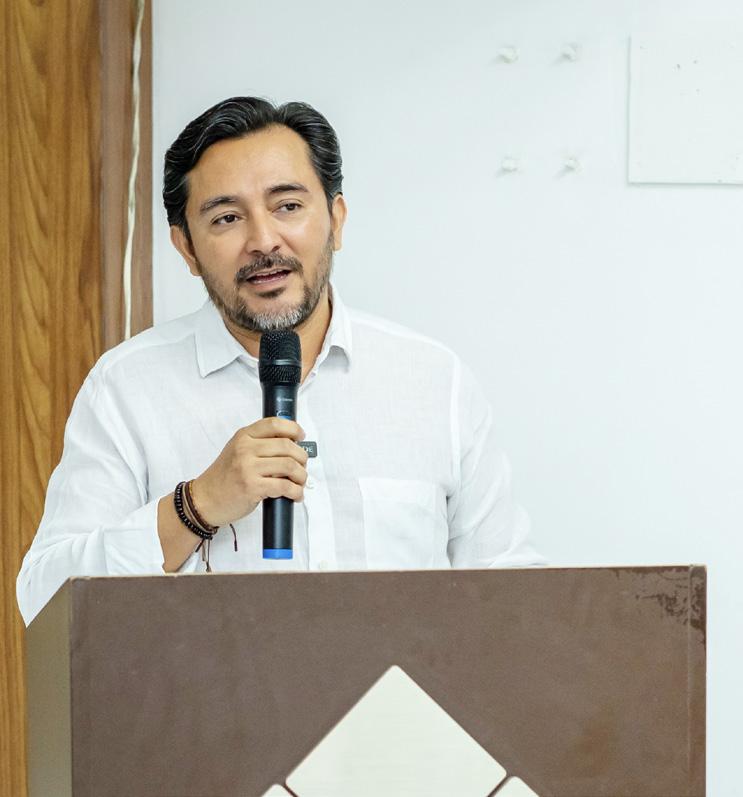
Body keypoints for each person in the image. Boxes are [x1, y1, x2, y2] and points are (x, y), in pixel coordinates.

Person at [16, 97, 543, 625]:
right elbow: (43, 601)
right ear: (187, 249)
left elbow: (512, 599)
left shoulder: (433, 380)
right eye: (227, 218)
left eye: (287, 206)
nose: (263, 241)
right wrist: (196, 506)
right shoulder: (126, 387)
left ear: (336, 220)